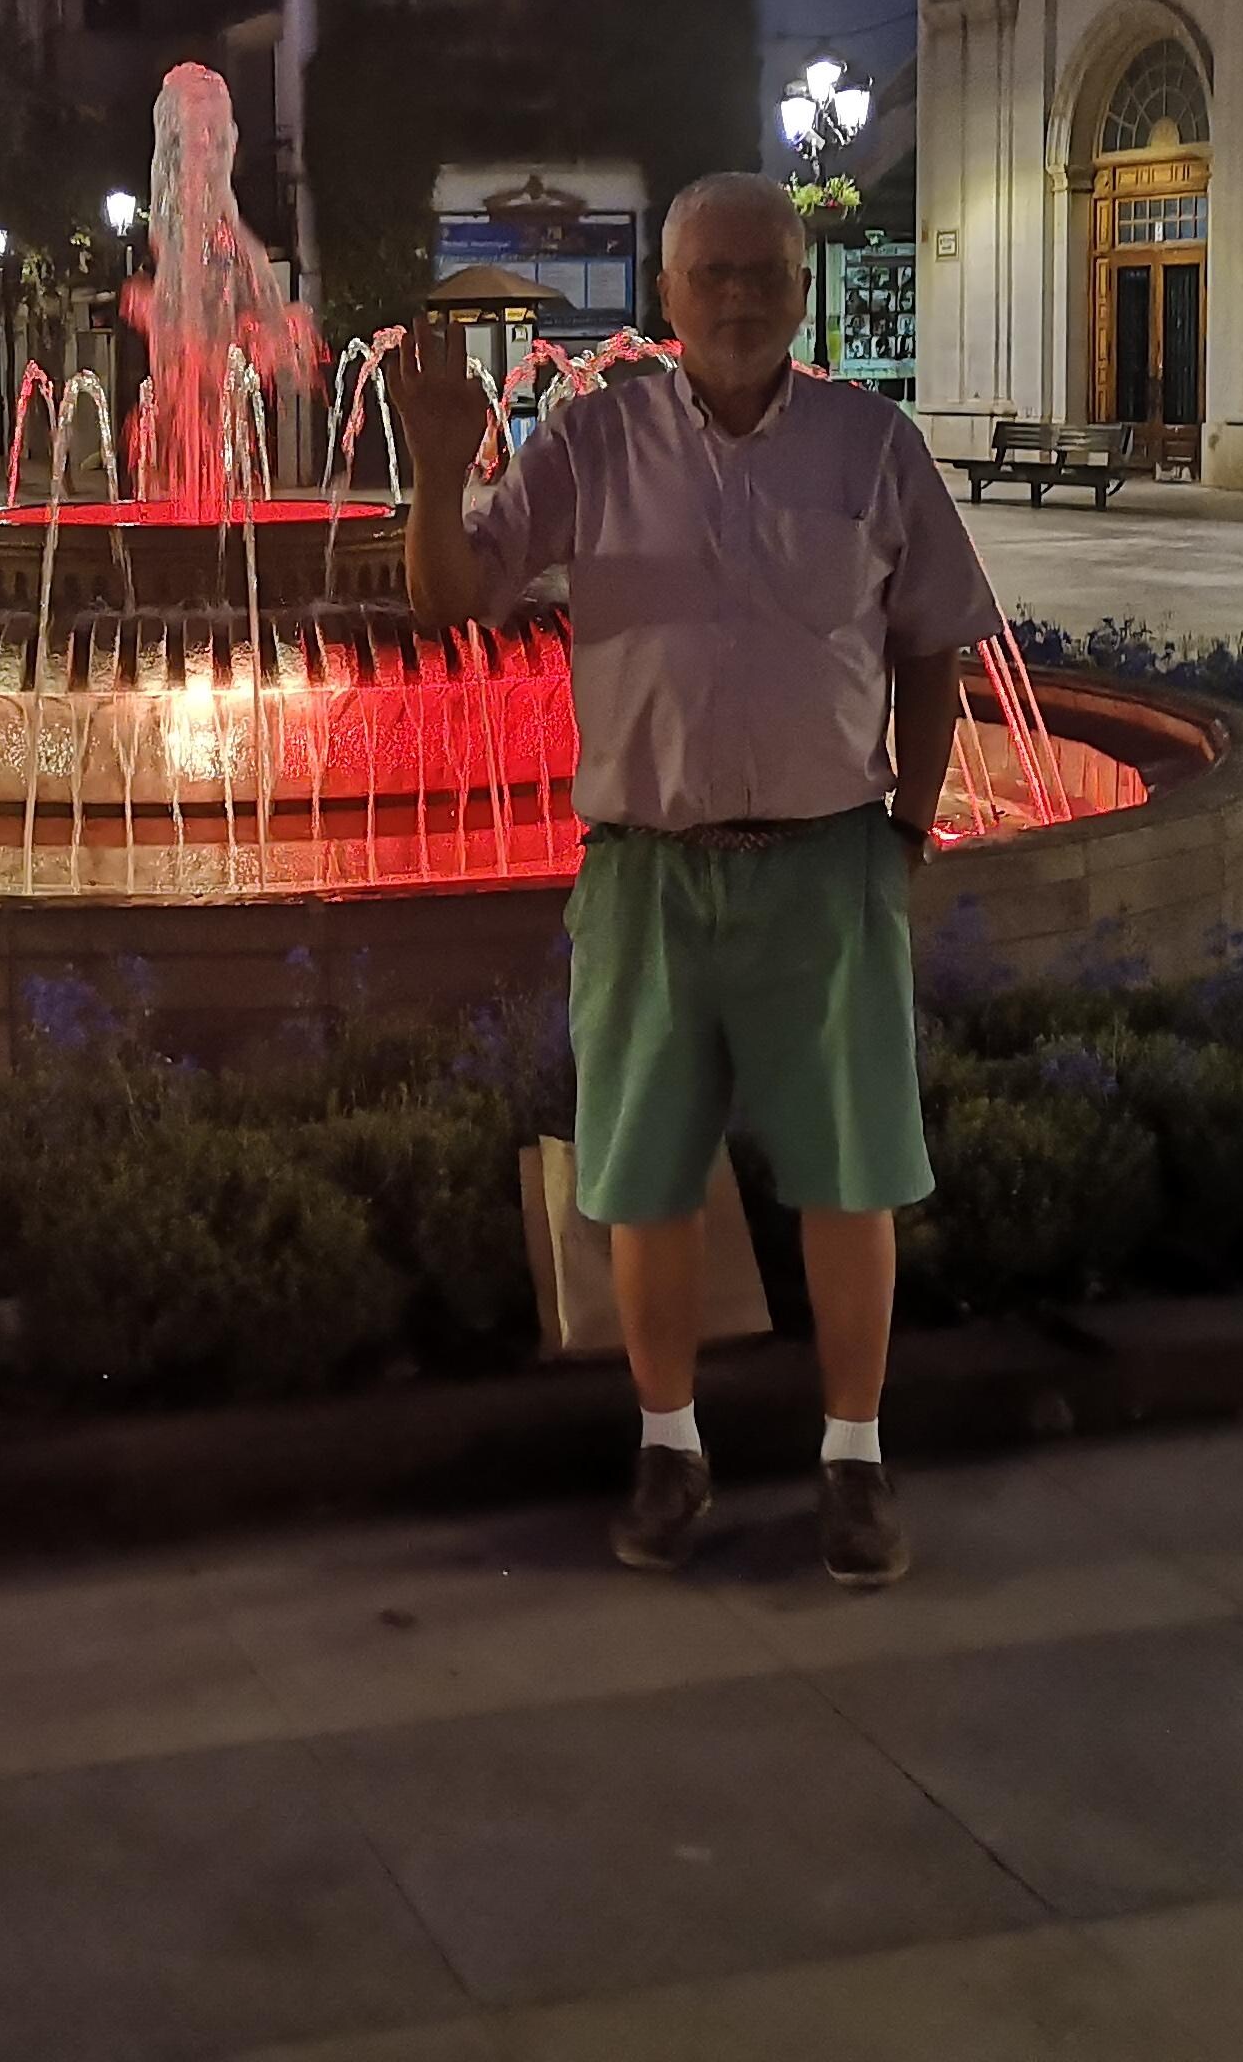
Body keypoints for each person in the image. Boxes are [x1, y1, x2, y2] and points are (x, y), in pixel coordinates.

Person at [386, 173, 1001, 1581]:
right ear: (665, 294)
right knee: (646, 1178)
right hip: (648, 876)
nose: (737, 296)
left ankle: (855, 1460)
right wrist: (436, 468)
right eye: (710, 273)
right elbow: (451, 600)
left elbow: (932, 646)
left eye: (764, 271)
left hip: (828, 865)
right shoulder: (593, 439)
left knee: (852, 1177)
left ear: (803, 289)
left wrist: (906, 834)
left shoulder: (872, 445)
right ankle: (669, 1447)